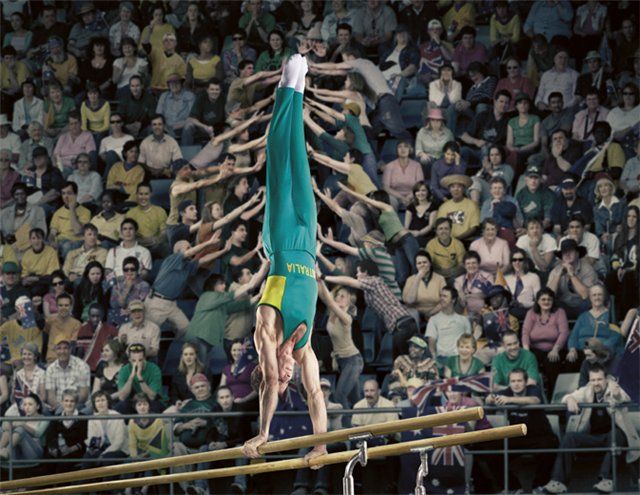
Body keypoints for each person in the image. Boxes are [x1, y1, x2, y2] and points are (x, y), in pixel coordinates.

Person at [242, 56, 327, 463]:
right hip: (307, 241)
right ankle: (299, 89)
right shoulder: (305, 350)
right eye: (287, 379)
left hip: (279, 239)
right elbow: (316, 394)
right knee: (300, 158)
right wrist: (321, 444)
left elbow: (270, 382)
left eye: (280, 376)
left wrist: (263, 433)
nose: (287, 375)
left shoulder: (266, 330)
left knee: (279, 164)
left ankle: (283, 90)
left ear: (268, 368)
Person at [540, 365, 640, 494]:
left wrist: (617, 395)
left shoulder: (614, 388)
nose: (596, 383)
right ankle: (558, 481)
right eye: (593, 380)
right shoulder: (587, 390)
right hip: (593, 437)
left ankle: (606, 480)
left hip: (613, 437)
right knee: (569, 437)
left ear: (606, 379)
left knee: (616, 435)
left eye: (599, 379)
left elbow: (624, 396)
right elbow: (568, 397)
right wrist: (570, 399)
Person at [324, 259, 418, 360]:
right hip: (400, 327)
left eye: (359, 272)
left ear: (365, 272)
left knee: (405, 362)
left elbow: (349, 281)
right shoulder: (368, 291)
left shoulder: (374, 281)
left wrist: (324, 277)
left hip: (403, 325)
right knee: (400, 362)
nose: (357, 275)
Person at [485, 369, 559, 492]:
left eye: (519, 381)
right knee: (491, 448)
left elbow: (535, 400)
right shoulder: (507, 391)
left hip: (539, 435)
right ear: (509, 383)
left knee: (551, 444)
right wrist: (491, 399)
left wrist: (509, 400)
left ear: (525, 382)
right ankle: (512, 488)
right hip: (517, 435)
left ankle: (539, 487)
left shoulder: (533, 389)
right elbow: (489, 399)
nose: (516, 384)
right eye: (513, 381)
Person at [185, 263, 268, 366]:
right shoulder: (209, 296)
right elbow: (245, 288)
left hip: (207, 339)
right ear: (213, 285)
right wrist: (263, 268)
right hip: (199, 338)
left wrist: (259, 295)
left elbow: (240, 306)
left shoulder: (219, 302)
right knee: (199, 366)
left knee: (204, 367)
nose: (224, 286)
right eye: (221, 284)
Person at [317, 279, 363, 409]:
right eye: (338, 295)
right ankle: (361, 420)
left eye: (343, 296)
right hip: (342, 361)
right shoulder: (332, 312)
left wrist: (321, 278)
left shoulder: (346, 318)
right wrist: (317, 279)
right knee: (355, 399)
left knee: (339, 396)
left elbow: (329, 301)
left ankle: (347, 422)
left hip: (353, 361)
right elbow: (323, 296)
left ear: (349, 301)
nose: (339, 297)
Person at [566, 285, 625, 366]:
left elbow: (615, 337)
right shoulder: (583, 316)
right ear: (590, 298)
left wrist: (599, 349)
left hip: (602, 352)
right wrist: (572, 349)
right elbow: (573, 336)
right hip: (582, 352)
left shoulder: (611, 315)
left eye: (600, 294)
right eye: (594, 295)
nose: (597, 297)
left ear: (604, 297)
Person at [547, 239, 598, 319]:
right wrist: (558, 275)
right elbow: (548, 295)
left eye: (570, 251)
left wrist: (572, 275)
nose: (567, 254)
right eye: (564, 252)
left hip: (583, 306)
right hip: (564, 307)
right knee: (551, 304)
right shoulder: (556, 270)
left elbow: (586, 295)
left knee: (588, 303)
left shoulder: (588, 269)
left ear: (577, 253)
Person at [115, 343, 166, 414]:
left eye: (140, 360)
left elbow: (152, 397)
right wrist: (131, 377)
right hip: (133, 401)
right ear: (129, 359)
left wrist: (139, 377)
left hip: (150, 401)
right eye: (133, 360)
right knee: (120, 406)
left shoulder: (154, 369)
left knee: (155, 406)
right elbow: (122, 397)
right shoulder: (124, 370)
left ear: (145, 358)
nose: (137, 363)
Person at [425, 286, 471, 361]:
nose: (441, 298)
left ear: (453, 300)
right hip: (442, 358)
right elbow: (431, 342)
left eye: (445, 296)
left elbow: (469, 341)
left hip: (460, 358)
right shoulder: (433, 320)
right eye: (441, 296)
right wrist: (434, 358)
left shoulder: (464, 320)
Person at [44, 336, 90, 412]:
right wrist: (63, 408)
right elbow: (51, 396)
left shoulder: (82, 366)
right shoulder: (50, 369)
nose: (62, 351)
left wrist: (69, 406)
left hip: (78, 406)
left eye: (65, 348)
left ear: (70, 349)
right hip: (58, 407)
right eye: (59, 348)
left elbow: (83, 395)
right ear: (55, 350)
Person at [83, 391, 128, 467]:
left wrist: (103, 454)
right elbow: (93, 440)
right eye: (97, 401)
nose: (100, 403)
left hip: (118, 449)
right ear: (94, 404)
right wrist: (92, 452)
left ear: (108, 402)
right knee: (88, 458)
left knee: (107, 459)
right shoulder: (92, 419)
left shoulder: (117, 416)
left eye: (103, 400)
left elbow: (119, 442)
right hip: (101, 448)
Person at [0, 393, 47, 462]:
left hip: (35, 452)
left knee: (21, 429)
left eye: (30, 404)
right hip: (20, 452)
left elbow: (38, 434)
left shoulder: (45, 419)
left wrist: (23, 425)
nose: (27, 407)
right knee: (8, 430)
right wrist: (8, 425)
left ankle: (7, 451)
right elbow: (5, 427)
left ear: (37, 406)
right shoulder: (22, 418)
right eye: (25, 405)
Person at [402, 250, 447, 320]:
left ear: (430, 263)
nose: (422, 265)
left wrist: (431, 313)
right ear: (416, 266)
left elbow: (445, 300)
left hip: (435, 311)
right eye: (419, 263)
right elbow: (409, 301)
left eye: (425, 262)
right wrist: (417, 278)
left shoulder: (440, 278)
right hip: (416, 313)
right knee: (411, 312)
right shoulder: (410, 279)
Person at [75, 304, 117, 373]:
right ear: (89, 316)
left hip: (105, 367)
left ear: (102, 316)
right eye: (93, 316)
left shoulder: (111, 330)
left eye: (98, 316)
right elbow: (80, 351)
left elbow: (115, 352)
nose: (95, 319)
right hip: (86, 368)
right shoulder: (83, 330)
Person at [454, 251, 494, 316]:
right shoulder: (458, 280)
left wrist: (469, 296)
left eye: (474, 263)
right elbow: (460, 299)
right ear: (464, 265)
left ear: (479, 264)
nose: (471, 266)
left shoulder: (488, 276)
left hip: (486, 312)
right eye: (468, 263)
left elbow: (491, 294)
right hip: (466, 313)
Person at [91, 339, 126, 404]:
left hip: (118, 402)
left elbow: (123, 391)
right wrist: (95, 400)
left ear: (115, 352)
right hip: (101, 402)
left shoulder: (124, 368)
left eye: (107, 351)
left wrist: (107, 399)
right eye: (102, 351)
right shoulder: (101, 365)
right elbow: (95, 390)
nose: (103, 353)